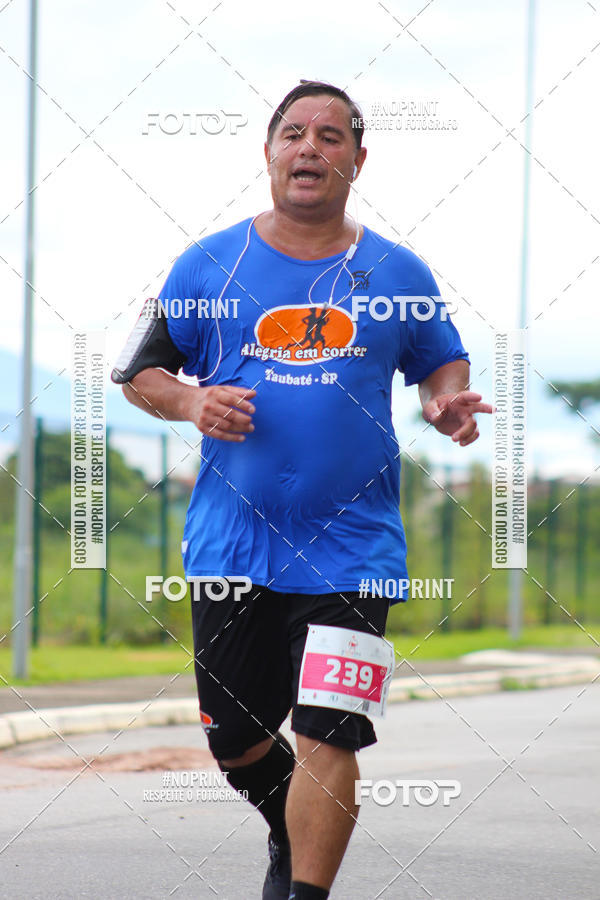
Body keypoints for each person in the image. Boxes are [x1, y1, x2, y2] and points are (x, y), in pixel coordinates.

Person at [115, 80, 492, 900]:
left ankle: (308, 890)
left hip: (354, 551)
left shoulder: (395, 270)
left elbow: (439, 362)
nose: (310, 147)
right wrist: (190, 400)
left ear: (358, 159)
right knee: (235, 740)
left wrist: (444, 401)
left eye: (331, 136)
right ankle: (293, 825)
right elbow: (138, 371)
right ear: (269, 153)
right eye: (294, 133)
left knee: (328, 735)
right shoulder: (209, 263)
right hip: (231, 546)